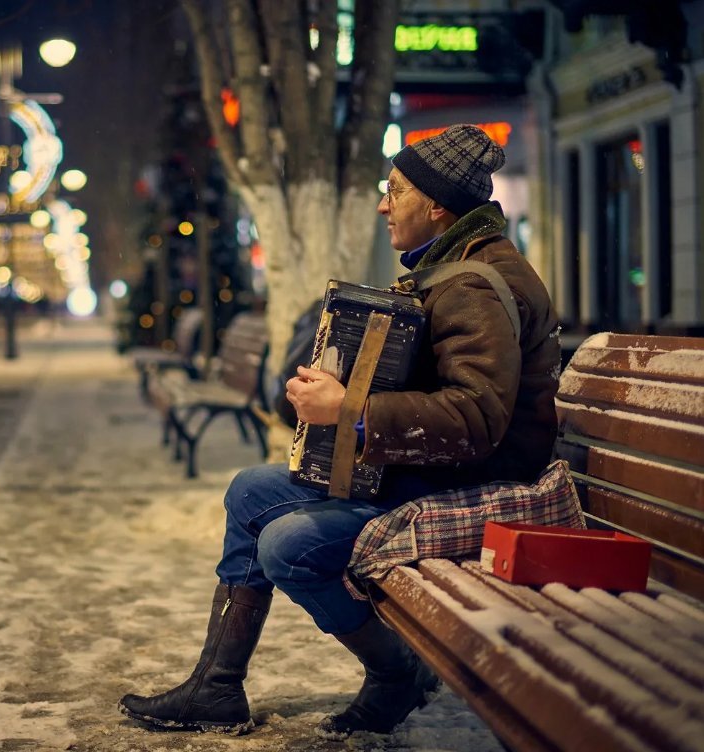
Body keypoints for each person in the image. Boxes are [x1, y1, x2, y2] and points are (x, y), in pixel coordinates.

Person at [118, 125, 561, 737]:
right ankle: (217, 687)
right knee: (251, 490)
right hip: (435, 470)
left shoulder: (473, 286)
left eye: (395, 190)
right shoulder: (454, 267)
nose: (383, 203)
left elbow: (475, 419)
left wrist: (350, 411)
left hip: (477, 488)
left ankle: (395, 673)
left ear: (436, 207)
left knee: (288, 546)